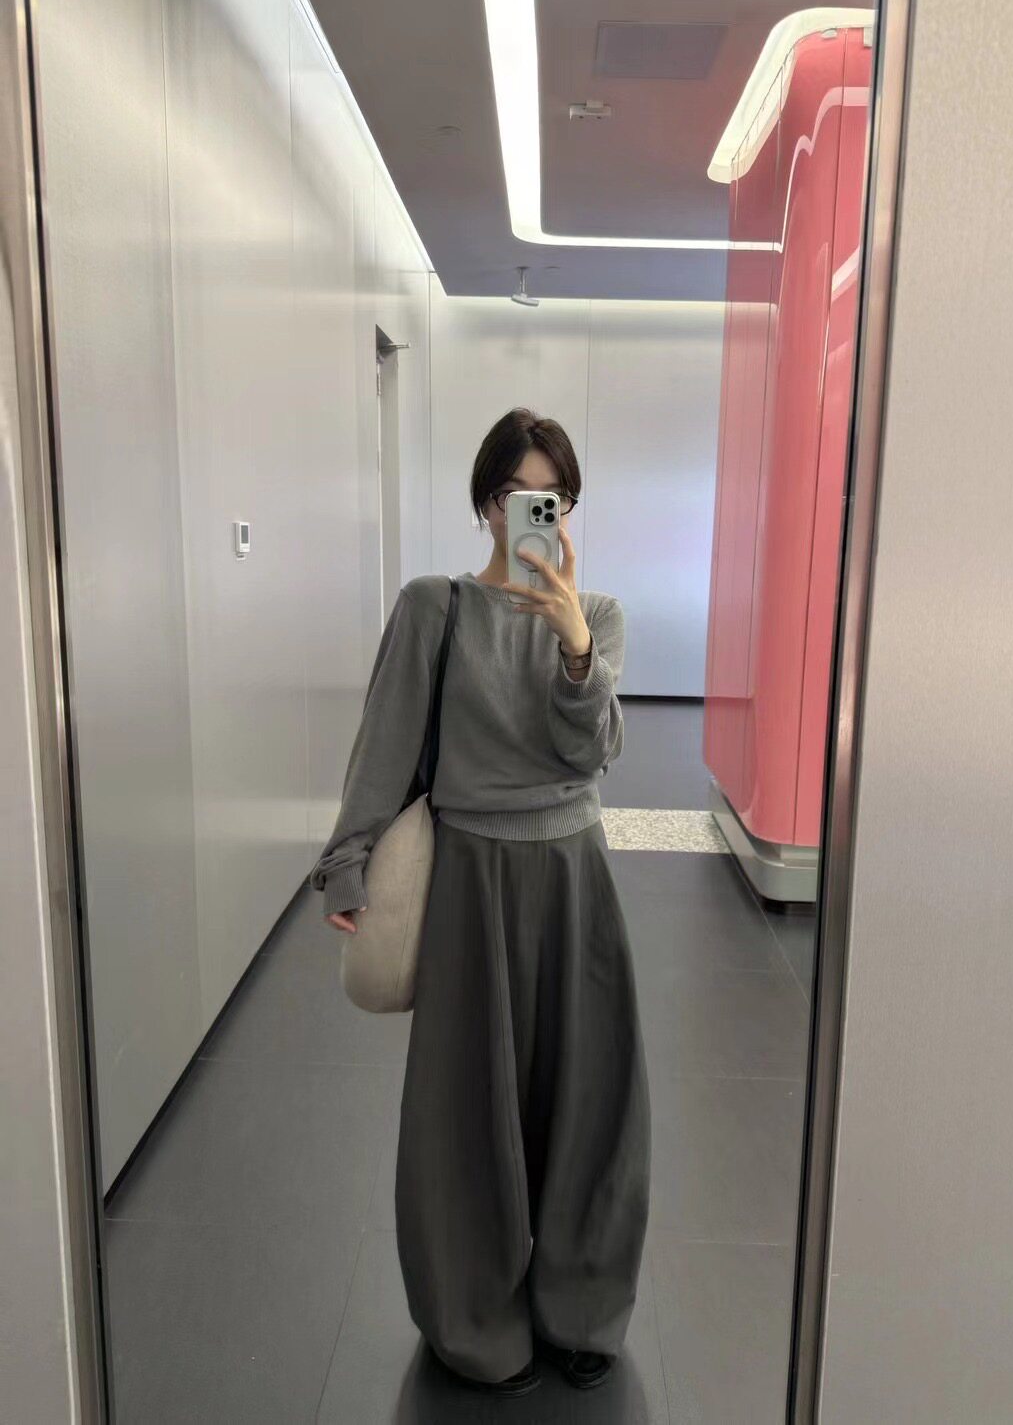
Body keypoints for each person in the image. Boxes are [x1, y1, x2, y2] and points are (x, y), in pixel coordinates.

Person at [309, 408, 651, 1397]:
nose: (536, 513)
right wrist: (347, 859)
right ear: (486, 503)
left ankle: (582, 1305)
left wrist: (574, 645)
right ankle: (473, 1317)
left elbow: (592, 752)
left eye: (555, 498)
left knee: (594, 1098)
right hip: (471, 878)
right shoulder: (436, 606)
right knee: (464, 1105)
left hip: (575, 878)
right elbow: (386, 744)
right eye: (517, 495)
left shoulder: (601, 615)